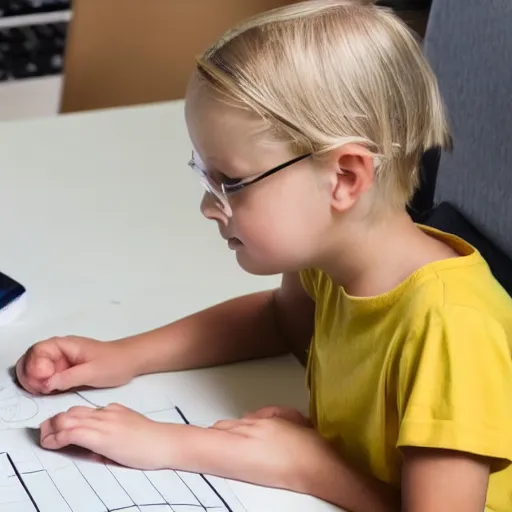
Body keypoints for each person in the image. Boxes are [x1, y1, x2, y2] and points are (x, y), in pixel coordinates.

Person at [13, 1, 512, 511]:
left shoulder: (452, 330)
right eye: (206, 178)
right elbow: (280, 321)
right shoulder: (333, 260)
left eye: (231, 182)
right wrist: (124, 355)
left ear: (344, 178)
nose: (209, 206)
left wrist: (304, 465)